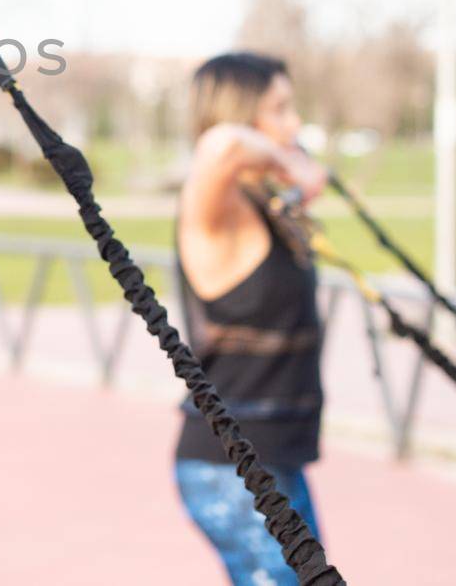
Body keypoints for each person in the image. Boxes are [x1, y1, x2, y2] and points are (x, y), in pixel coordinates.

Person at [172, 51, 329, 586]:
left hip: (276, 460)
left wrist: (290, 182)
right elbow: (219, 144)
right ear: (241, 114)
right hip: (229, 470)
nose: (295, 123)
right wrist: (293, 164)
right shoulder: (216, 210)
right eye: (280, 109)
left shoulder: (259, 203)